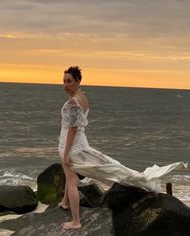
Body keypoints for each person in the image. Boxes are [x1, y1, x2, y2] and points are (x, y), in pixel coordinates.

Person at [58, 66, 187, 230]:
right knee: (74, 174)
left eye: (69, 81)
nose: (65, 85)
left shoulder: (73, 101)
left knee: (71, 182)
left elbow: (73, 128)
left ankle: (76, 222)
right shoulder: (82, 97)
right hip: (78, 143)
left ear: (77, 81)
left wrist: (67, 152)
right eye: (63, 81)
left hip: (72, 145)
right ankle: (64, 202)